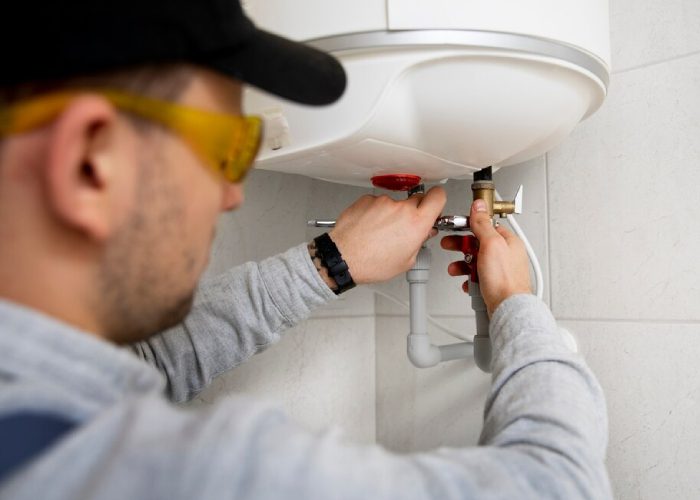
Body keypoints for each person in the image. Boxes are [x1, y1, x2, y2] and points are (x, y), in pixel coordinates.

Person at [0, 0, 611, 498]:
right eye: (227, 151)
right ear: (89, 160)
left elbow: (151, 367)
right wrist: (518, 309)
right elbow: (556, 484)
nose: (231, 196)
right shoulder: (137, 472)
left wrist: (331, 261)